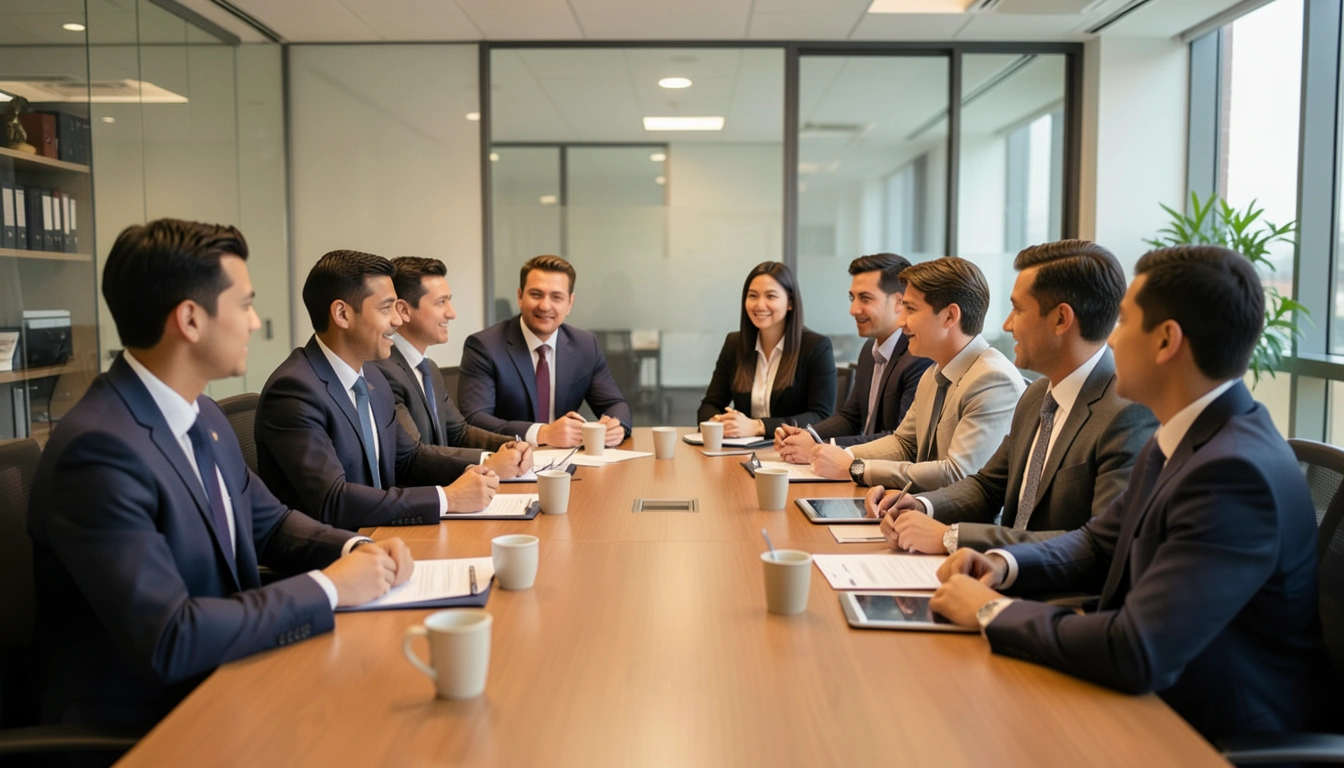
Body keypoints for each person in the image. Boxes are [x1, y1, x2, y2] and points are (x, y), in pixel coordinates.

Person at [929, 245, 1330, 742]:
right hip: (1156, 696)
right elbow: (1099, 541)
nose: (1111, 338)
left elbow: (1138, 649)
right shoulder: (1184, 436)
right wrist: (1003, 565)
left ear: (1166, 340)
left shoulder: (1233, 472)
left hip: (1210, 733)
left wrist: (992, 611)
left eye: (1123, 322)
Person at [27, 219, 413, 734]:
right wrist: (329, 588)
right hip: (150, 724)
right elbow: (170, 637)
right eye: (244, 304)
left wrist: (356, 549)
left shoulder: (202, 415)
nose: (254, 322)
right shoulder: (98, 452)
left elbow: (271, 524)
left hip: (232, 674)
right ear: (190, 319)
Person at [867, 240, 1157, 554]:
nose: (1007, 325)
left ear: (1061, 319)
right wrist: (922, 505)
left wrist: (952, 537)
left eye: (1018, 310)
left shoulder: (1127, 412)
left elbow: (1100, 543)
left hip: (1042, 581)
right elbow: (988, 486)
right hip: (994, 570)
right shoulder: (1037, 395)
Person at [256, 250, 499, 531]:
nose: (398, 320)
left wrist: (477, 469)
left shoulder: (372, 376)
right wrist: (447, 498)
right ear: (342, 314)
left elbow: (407, 459)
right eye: (386, 308)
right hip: (340, 548)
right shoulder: (294, 391)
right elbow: (334, 501)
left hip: (384, 534)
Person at [809, 256, 1024, 492]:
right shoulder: (934, 373)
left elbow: (959, 475)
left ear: (950, 316)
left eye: (910, 309)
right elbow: (904, 443)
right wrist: (843, 455)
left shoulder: (993, 380)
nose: (901, 321)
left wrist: (856, 468)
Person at [372, 256, 532, 477]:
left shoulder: (429, 368)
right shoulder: (381, 371)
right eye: (441, 303)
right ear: (404, 310)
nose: (452, 313)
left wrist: (511, 445)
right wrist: (488, 460)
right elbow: (413, 455)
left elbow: (458, 432)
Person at [458, 255, 632, 448]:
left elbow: (615, 404)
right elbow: (474, 419)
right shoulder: (485, 346)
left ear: (570, 303)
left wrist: (617, 426)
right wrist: (542, 433)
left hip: (568, 459)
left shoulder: (585, 344)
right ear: (520, 297)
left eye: (556, 297)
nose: (545, 306)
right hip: (508, 457)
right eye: (536, 294)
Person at [775, 253, 932, 460]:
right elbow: (850, 418)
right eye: (852, 298)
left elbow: (899, 440)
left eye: (865, 298)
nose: (853, 309)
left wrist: (820, 447)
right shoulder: (869, 350)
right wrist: (808, 435)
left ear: (899, 302)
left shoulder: (918, 357)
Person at [697, 261, 836, 437]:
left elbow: (821, 416)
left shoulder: (816, 347)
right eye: (753, 296)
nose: (760, 305)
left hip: (790, 449)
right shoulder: (734, 343)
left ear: (790, 302)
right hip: (740, 448)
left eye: (770, 296)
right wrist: (718, 423)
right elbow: (710, 404)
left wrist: (759, 426)